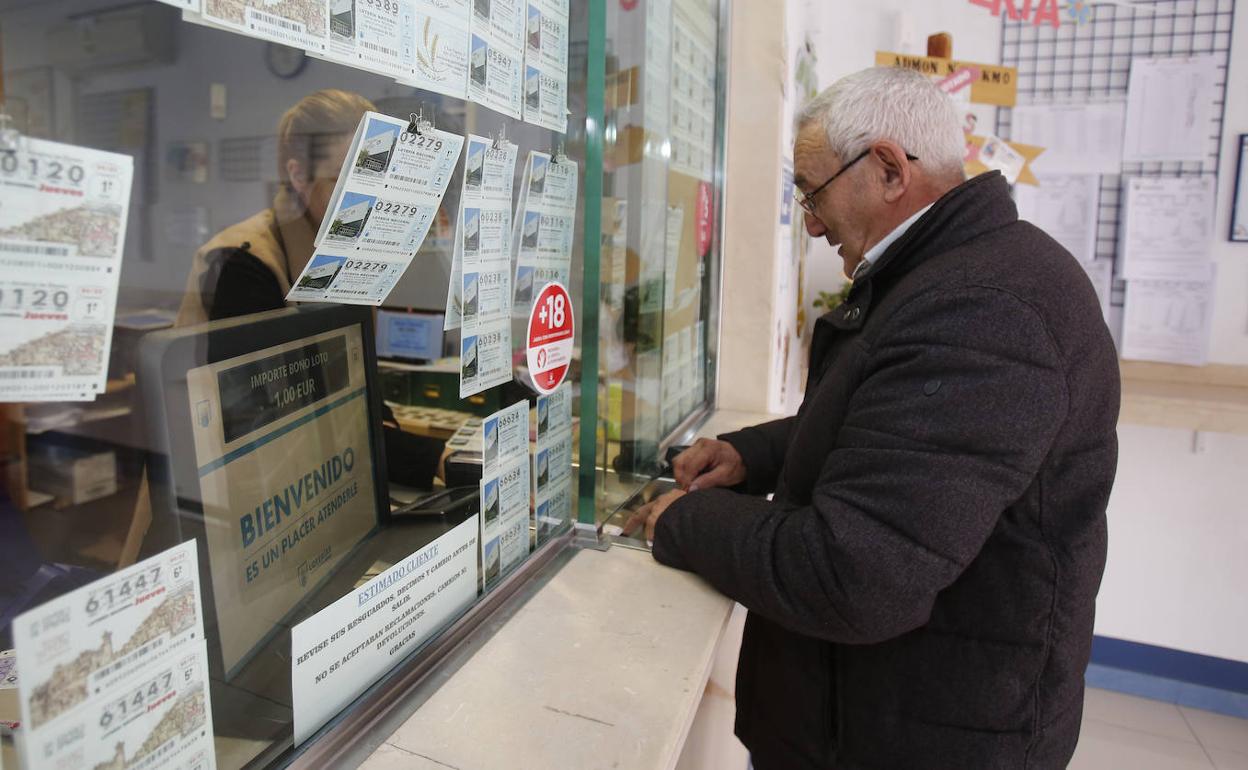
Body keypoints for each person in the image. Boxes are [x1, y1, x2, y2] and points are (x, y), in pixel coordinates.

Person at [625, 67, 1120, 768]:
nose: (813, 220)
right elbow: (888, 428)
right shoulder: (958, 272)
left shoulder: (984, 309)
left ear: (888, 169)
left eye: (812, 192)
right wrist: (754, 455)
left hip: (918, 736)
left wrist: (682, 520)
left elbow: (853, 576)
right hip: (874, 714)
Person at [178, 89, 448, 488]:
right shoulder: (243, 262)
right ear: (298, 175)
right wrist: (433, 459)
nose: (373, 199)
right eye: (352, 178)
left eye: (381, 178)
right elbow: (279, 420)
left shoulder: (342, 252)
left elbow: (355, 391)